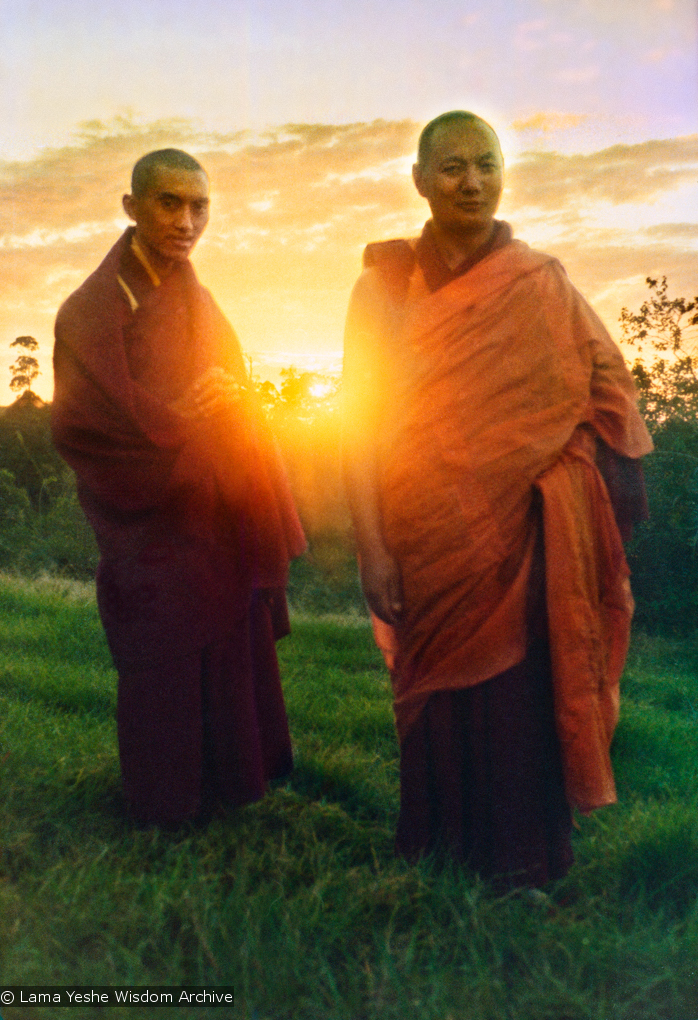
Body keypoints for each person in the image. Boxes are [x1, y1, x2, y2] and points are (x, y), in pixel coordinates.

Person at [343, 111, 653, 887]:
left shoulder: (541, 282)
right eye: (452, 167)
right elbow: (358, 422)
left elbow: (608, 389)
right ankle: (437, 852)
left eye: (486, 164)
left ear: (504, 175)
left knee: (519, 700)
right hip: (422, 529)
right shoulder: (381, 290)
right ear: (419, 180)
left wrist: (579, 478)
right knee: (435, 692)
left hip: (525, 534)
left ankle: (524, 861)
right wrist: (373, 547)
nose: (471, 181)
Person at [52, 148, 306, 826]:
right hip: (149, 518)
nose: (187, 220)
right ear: (132, 207)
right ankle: (164, 804)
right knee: (162, 646)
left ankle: (233, 782)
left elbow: (237, 394)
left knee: (228, 638)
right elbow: (83, 425)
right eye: (170, 202)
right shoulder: (89, 310)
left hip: (214, 508)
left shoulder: (197, 298)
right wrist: (176, 421)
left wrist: (235, 407)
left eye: (200, 206)